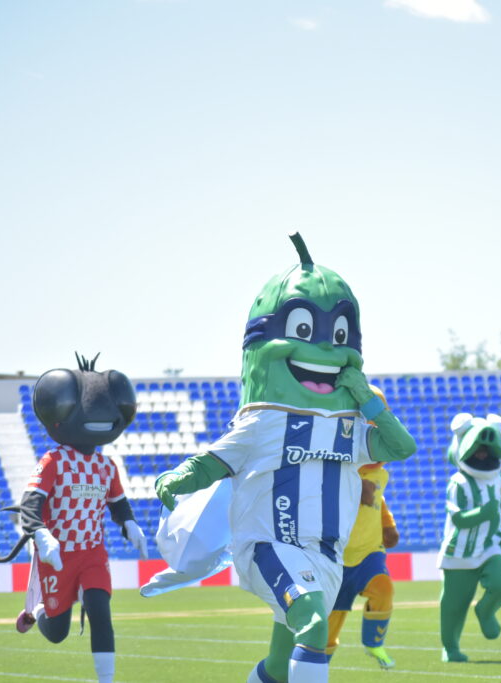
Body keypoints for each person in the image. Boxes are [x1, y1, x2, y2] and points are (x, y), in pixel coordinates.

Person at [155, 234, 416, 683]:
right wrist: (175, 478)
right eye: (307, 333)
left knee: (278, 666)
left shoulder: (349, 429)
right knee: (313, 627)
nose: (328, 350)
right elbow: (213, 462)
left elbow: (400, 448)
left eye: (339, 337)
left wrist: (367, 399)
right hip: (269, 547)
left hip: (326, 556)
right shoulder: (264, 421)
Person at [12, 354, 148, 683]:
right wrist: (41, 535)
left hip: (92, 552)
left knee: (101, 611)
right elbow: (30, 503)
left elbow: (118, 503)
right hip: (58, 556)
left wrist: (130, 524)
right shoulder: (53, 461)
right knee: (57, 632)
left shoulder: (106, 466)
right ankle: (37, 610)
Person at [326, 387, 401, 670]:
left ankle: (374, 642)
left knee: (383, 589)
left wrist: (388, 525)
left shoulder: (381, 473)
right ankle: (315, 665)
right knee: (329, 625)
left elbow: (379, 503)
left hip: (369, 552)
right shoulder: (334, 467)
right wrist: (354, 486)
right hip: (335, 557)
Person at [437, 413, 501, 663]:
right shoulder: (458, 482)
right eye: (477, 450)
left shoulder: (500, 481)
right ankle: (451, 648)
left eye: (486, 450)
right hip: (459, 552)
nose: (482, 455)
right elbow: (458, 518)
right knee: (454, 606)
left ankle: (486, 611)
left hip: (489, 546)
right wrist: (483, 513)